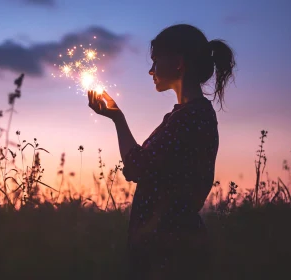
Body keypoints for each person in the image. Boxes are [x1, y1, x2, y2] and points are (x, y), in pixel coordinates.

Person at [87, 24, 236, 279]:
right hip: (167, 246)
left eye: (155, 61)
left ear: (178, 63)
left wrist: (118, 119)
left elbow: (136, 166)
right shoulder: (187, 116)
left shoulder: (190, 118)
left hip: (171, 250)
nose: (150, 70)